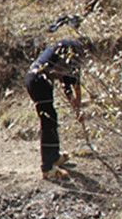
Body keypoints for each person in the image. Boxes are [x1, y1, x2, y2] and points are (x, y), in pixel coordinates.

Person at [25, 39, 86, 180]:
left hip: (34, 79)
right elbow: (75, 86)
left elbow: (67, 86)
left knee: (51, 118)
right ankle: (47, 168)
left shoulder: (62, 50)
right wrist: (78, 109)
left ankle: (54, 157)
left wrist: (76, 109)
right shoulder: (72, 53)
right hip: (39, 80)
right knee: (48, 121)